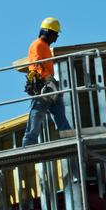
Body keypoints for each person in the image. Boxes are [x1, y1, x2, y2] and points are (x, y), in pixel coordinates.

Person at [21, 17, 72, 147]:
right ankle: (28, 145)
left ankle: (68, 140)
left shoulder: (45, 47)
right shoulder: (37, 45)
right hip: (42, 86)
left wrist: (52, 82)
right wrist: (48, 80)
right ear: (47, 32)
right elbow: (37, 64)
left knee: (60, 115)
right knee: (36, 115)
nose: (56, 38)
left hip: (50, 85)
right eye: (55, 34)